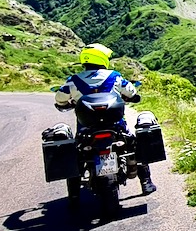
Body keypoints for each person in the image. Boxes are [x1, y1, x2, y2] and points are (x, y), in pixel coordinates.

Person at [54, 43, 157, 195]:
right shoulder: (114, 76)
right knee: (134, 144)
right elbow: (131, 91)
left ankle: (74, 193)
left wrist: (68, 102)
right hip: (115, 125)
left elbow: (59, 98)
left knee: (76, 153)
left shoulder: (74, 80)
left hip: (86, 129)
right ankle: (146, 181)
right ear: (102, 59)